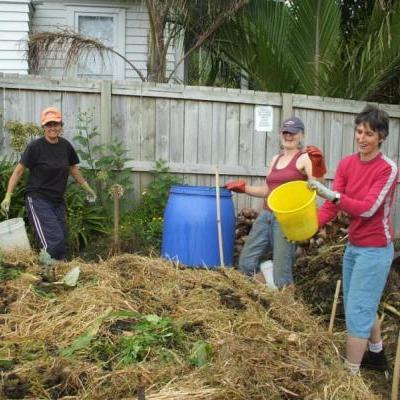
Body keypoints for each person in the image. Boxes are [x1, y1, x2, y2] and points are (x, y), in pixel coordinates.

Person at [309, 105, 397, 375]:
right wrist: (309, 227)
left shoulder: (388, 169)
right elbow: (332, 207)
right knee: (359, 302)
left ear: (381, 136)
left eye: (369, 133)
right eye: (359, 131)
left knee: (358, 309)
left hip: (376, 249)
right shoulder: (348, 163)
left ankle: (350, 376)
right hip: (355, 245)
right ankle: (377, 353)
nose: (362, 138)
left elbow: (368, 208)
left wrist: (331, 195)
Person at [225, 116, 326, 288]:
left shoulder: (304, 158)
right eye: (285, 132)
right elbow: (267, 190)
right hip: (266, 215)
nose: (288, 136)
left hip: (287, 219)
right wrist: (244, 188)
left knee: (282, 273)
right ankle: (268, 295)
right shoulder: (276, 159)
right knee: (246, 262)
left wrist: (318, 165)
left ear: (301, 135)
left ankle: (287, 310)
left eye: (293, 133)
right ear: (280, 134)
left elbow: (319, 186)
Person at [0, 107, 96, 262]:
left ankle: (57, 273)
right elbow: (18, 172)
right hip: (38, 199)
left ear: (60, 126)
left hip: (57, 201)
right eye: (49, 125)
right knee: (53, 242)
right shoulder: (35, 147)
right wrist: (8, 195)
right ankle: (46, 274)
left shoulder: (65, 146)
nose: (53, 128)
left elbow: (72, 168)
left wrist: (87, 187)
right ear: (43, 127)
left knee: (62, 239)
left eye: (56, 124)